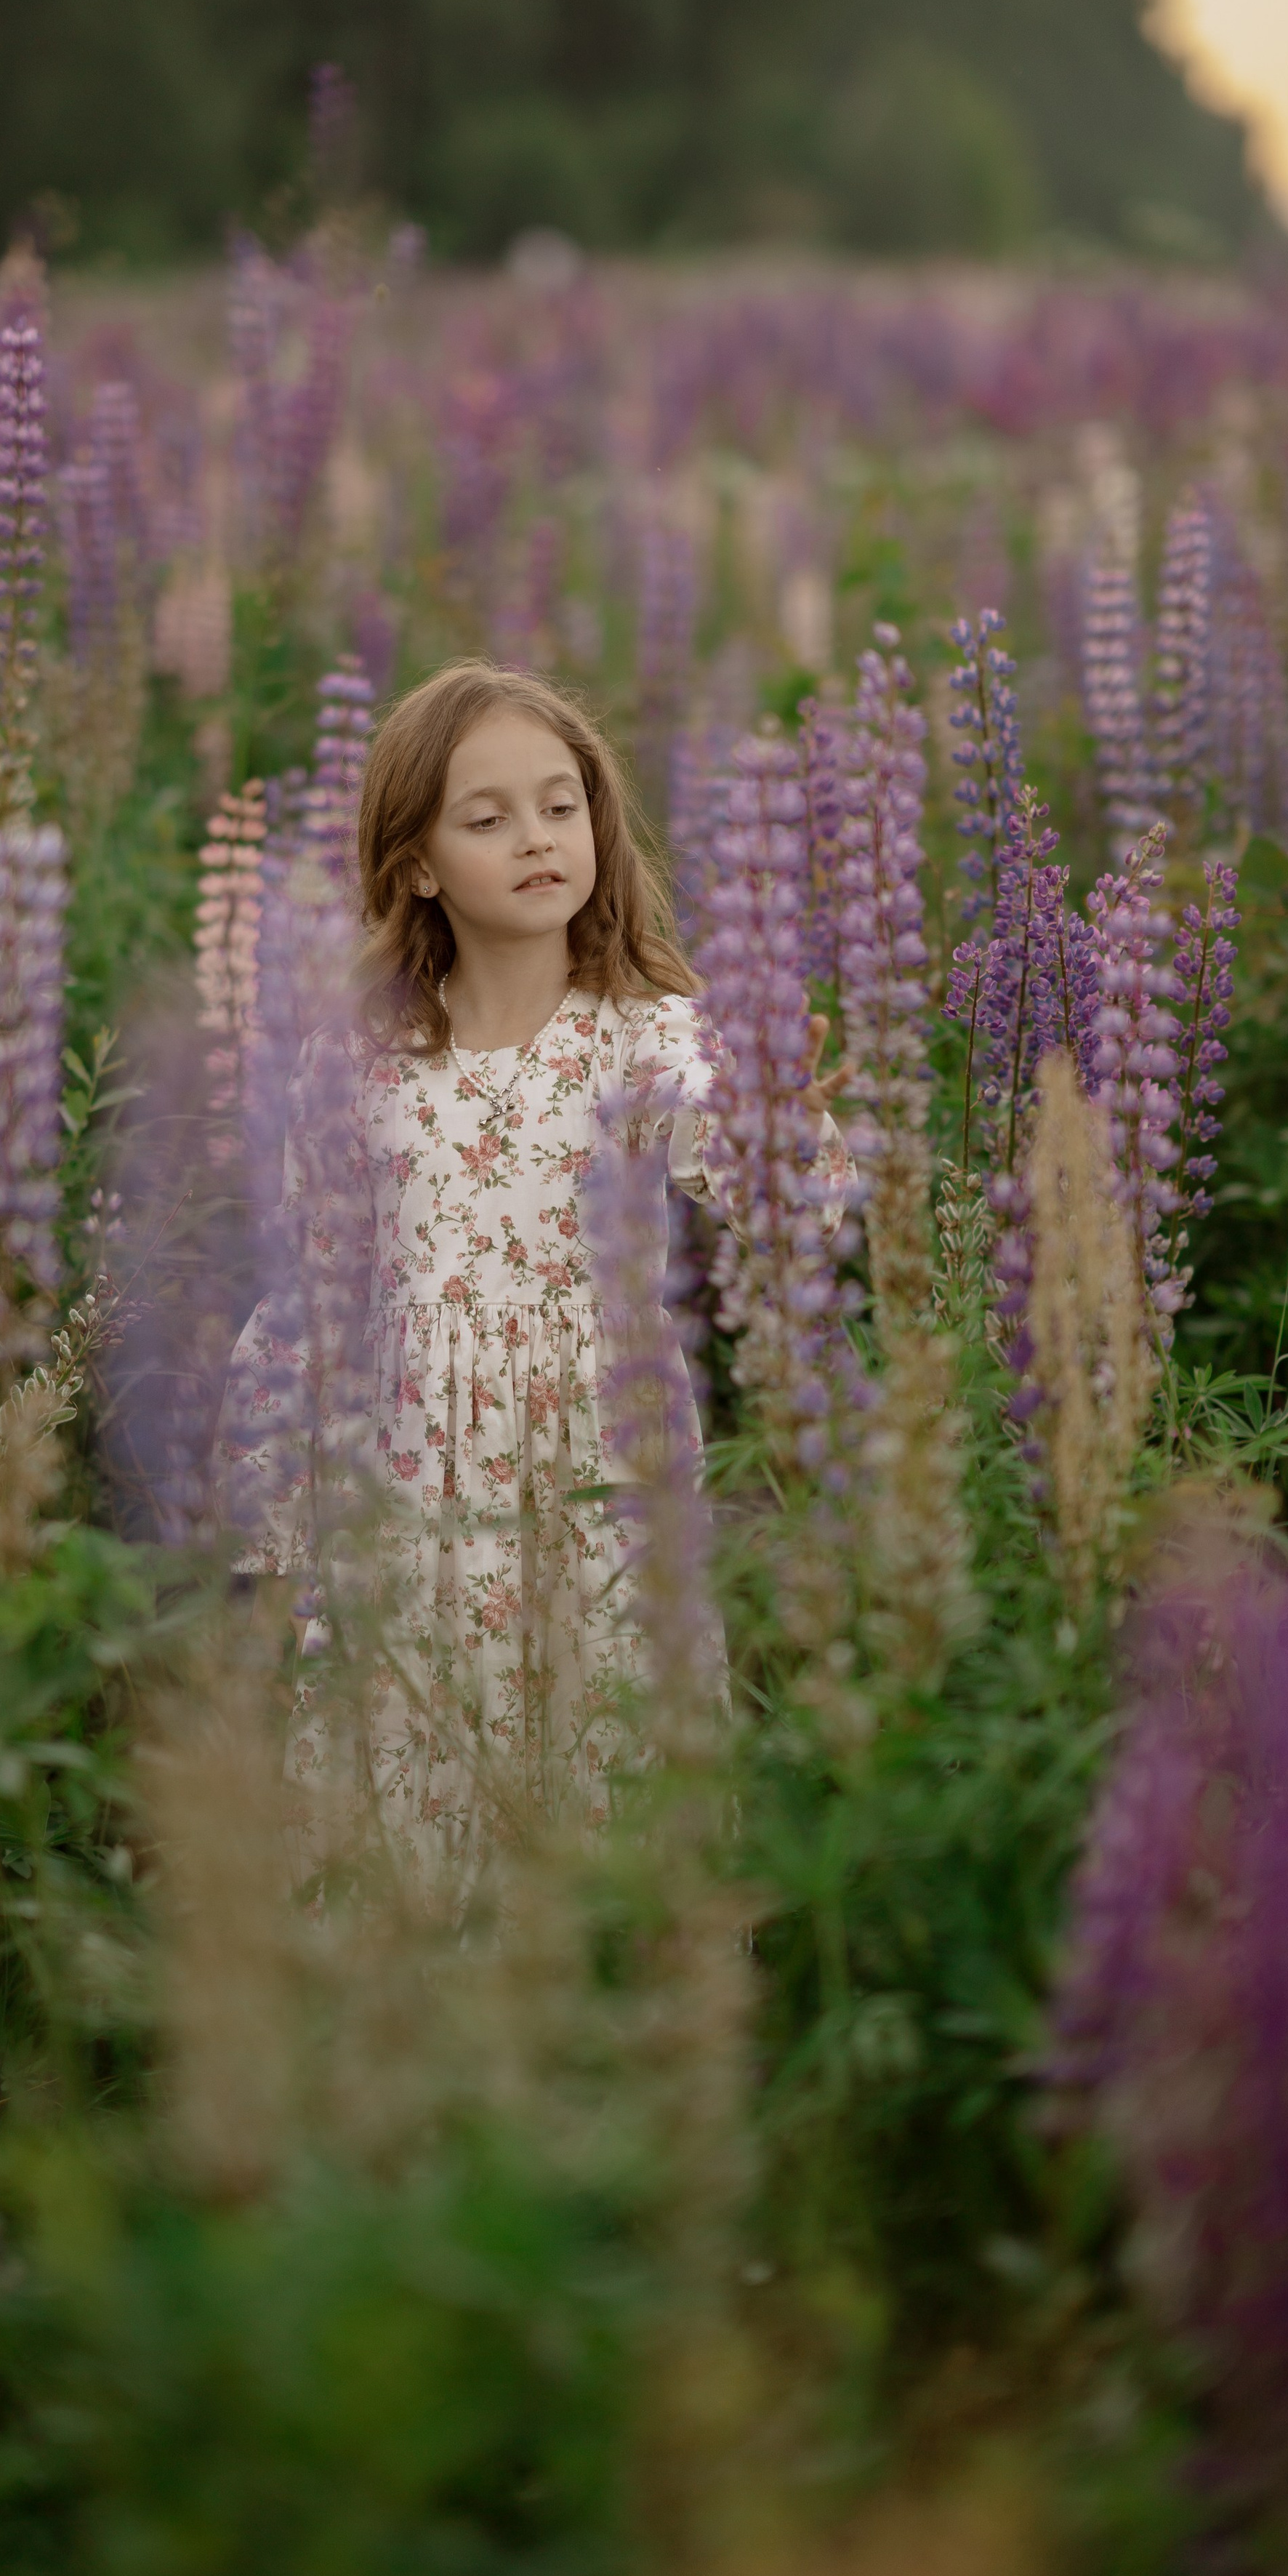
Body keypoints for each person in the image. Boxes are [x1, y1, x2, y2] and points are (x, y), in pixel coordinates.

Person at [219, 659, 849, 1890]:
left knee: (605, 1776)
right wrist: (279, 1541)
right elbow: (314, 1305)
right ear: (415, 862)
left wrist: (787, 1126)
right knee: (405, 1786)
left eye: (561, 806)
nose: (537, 838)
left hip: (599, 1490)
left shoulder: (651, 1030)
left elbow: (772, 1193)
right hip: (407, 1508)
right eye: (488, 816)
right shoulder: (360, 1063)